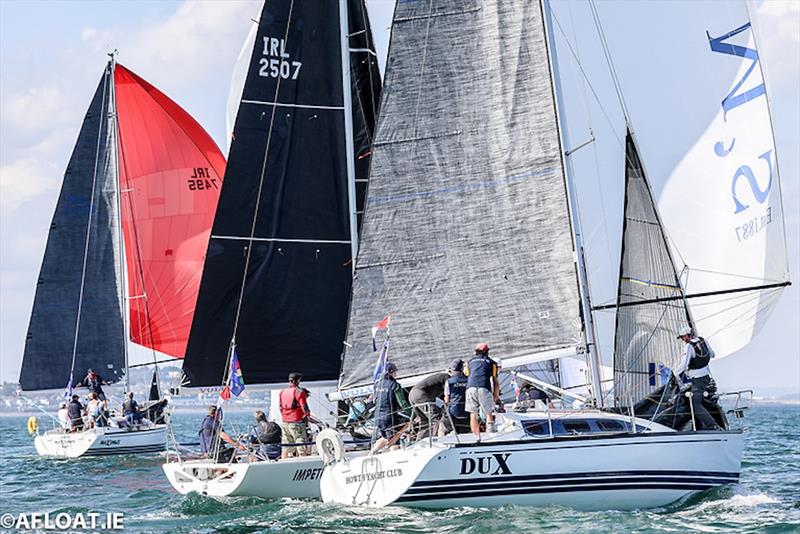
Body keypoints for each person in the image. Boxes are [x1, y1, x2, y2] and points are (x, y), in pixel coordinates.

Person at [675, 326, 720, 430]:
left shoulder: (689, 346)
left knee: (696, 404)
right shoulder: (702, 340)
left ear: (687, 336)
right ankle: (700, 426)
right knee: (701, 400)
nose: (682, 340)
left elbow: (684, 364)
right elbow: (712, 354)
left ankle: (712, 426)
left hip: (698, 379)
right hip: (707, 378)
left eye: (682, 337)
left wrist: (674, 373)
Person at [372, 362, 411, 453]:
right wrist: (413, 413)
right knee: (394, 443)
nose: (396, 374)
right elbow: (403, 404)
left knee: (386, 437)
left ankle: (371, 453)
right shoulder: (394, 385)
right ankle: (395, 460)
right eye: (395, 372)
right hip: (389, 418)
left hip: (377, 417)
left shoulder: (377, 384)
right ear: (391, 372)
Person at [464, 342, 500, 441]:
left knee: (473, 414)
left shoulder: (469, 362)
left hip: (470, 388)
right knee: (488, 413)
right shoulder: (492, 363)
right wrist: (495, 396)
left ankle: (476, 437)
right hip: (484, 387)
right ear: (487, 351)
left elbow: (467, 375)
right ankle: (490, 436)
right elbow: (495, 381)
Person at [278, 372, 318, 458]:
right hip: (296, 422)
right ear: (298, 380)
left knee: (286, 446)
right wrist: (307, 415)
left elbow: (280, 407)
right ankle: (303, 462)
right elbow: (304, 406)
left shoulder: (282, 392)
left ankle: (284, 462)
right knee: (300, 443)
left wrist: (285, 417)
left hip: (285, 422)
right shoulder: (299, 392)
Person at [408, 370, 448, 438]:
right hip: (420, 395)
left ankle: (420, 441)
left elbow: (438, 398)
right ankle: (436, 439)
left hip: (412, 395)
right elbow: (448, 394)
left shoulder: (440, 379)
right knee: (436, 418)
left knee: (424, 420)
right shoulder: (447, 378)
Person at [440, 359, 470, 435]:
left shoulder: (449, 381)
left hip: (453, 412)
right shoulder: (468, 380)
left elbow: (447, 398)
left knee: (442, 428)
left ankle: (440, 443)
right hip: (466, 412)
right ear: (462, 369)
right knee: (465, 433)